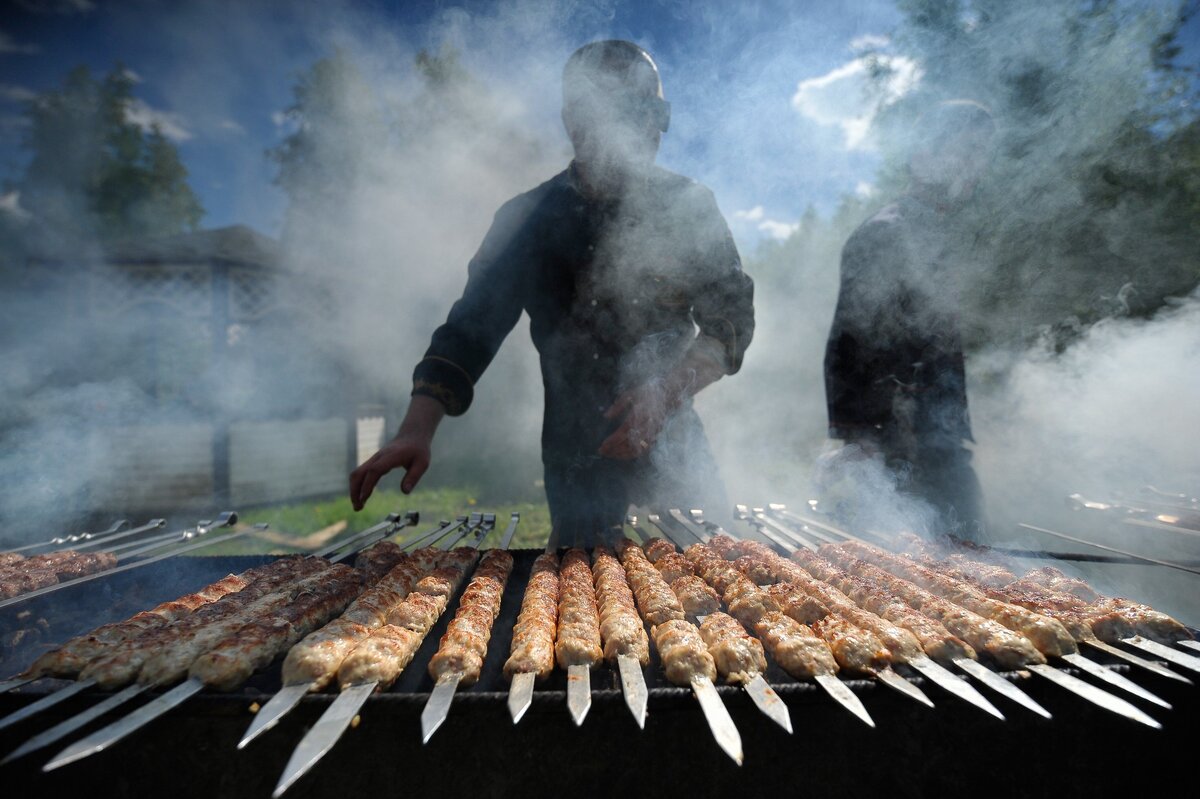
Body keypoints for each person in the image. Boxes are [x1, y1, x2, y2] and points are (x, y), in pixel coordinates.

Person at [350, 40, 755, 545]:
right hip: (576, 457)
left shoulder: (690, 206)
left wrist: (665, 393)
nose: (648, 130)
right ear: (576, 121)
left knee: (716, 595)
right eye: (627, 112)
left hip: (677, 441)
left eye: (654, 113)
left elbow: (731, 323)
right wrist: (416, 429)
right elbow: (468, 330)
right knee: (585, 606)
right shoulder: (526, 220)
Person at [823, 100, 995, 541]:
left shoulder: (942, 235)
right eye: (962, 153)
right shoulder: (886, 233)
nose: (972, 168)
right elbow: (850, 340)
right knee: (898, 577)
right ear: (923, 157)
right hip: (895, 449)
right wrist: (859, 437)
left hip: (941, 443)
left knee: (970, 565)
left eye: (979, 155)